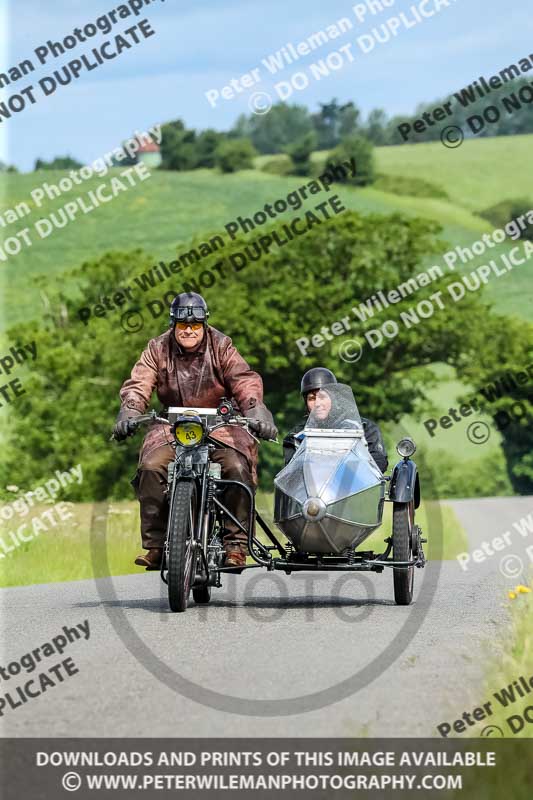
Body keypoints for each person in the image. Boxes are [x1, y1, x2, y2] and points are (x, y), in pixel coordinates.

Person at [113, 292, 277, 570]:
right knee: (152, 467)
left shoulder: (222, 345)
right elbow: (138, 384)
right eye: (182, 325)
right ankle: (156, 545)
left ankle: (235, 545)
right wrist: (129, 411)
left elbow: (244, 380)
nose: (188, 330)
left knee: (237, 467)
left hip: (221, 425)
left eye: (195, 325)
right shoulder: (157, 348)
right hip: (173, 426)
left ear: (204, 325)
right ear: (173, 325)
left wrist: (255, 411)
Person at [283, 367, 388, 471]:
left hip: (354, 485)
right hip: (313, 487)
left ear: (333, 398)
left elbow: (378, 461)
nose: (318, 403)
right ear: (306, 402)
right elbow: (291, 475)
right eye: (312, 398)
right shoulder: (295, 436)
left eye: (322, 397)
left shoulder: (364, 428)